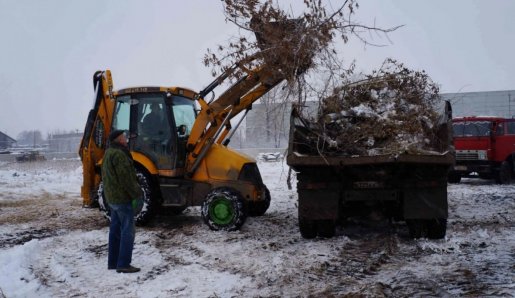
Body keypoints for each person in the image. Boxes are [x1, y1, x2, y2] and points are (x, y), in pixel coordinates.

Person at [101, 129, 143, 273]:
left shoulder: (108, 153)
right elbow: (127, 179)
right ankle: (124, 264)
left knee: (115, 230)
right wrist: (136, 194)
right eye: (123, 137)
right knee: (128, 231)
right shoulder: (120, 155)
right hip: (122, 199)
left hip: (112, 198)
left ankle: (113, 262)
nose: (126, 139)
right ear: (119, 140)